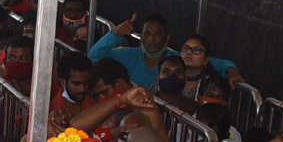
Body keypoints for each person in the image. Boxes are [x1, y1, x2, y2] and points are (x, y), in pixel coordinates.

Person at [88, 13, 241, 89]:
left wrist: (232, 71)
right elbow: (94, 56)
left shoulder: (177, 60)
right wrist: (115, 33)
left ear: (167, 38)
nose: (151, 39)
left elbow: (219, 63)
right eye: (147, 34)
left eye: (157, 34)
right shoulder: (129, 55)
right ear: (141, 37)